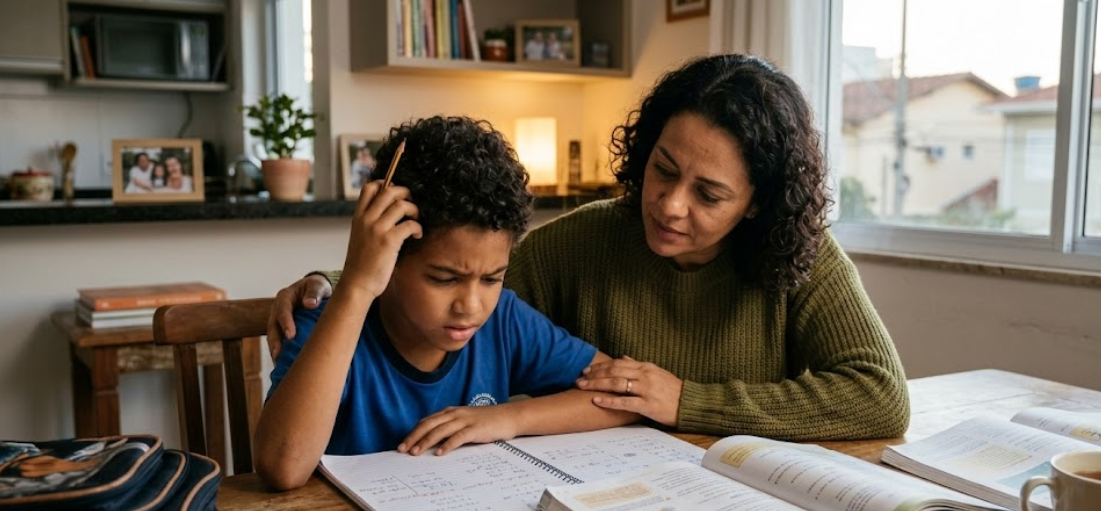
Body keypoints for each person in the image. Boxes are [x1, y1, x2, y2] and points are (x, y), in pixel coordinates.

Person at [268, 54, 911, 444]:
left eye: (709, 195)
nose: (669, 205)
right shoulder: (592, 235)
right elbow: (464, 273)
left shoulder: (802, 256)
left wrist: (685, 402)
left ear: (759, 204)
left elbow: (880, 395)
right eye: (663, 169)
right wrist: (335, 278)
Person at [254, 116, 636, 491]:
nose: (470, 306)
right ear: (389, 256)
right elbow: (283, 468)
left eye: (491, 278)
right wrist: (355, 285)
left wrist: (508, 418)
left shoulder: (503, 319)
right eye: (444, 279)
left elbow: (626, 394)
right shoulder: (325, 323)